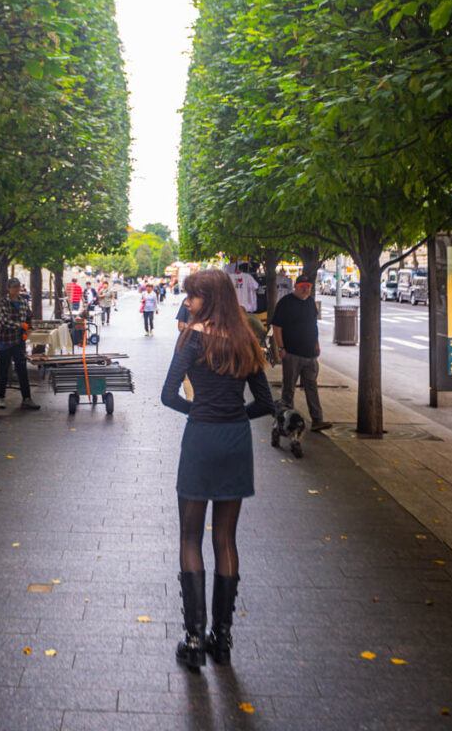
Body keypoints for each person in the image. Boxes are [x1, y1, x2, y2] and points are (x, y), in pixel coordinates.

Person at [161, 269, 274, 670]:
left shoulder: (192, 338)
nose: (187, 302)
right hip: (235, 442)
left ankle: (193, 638)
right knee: (226, 540)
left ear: (207, 299)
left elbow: (167, 394)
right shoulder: (247, 339)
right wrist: (234, 415)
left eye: (192, 296)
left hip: (202, 439)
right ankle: (222, 640)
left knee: (190, 537)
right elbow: (265, 403)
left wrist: (202, 411)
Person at [271, 272, 332, 432]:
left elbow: (313, 325)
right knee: (288, 388)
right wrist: (280, 348)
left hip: (310, 354)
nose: (306, 290)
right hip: (292, 353)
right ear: (296, 287)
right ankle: (285, 420)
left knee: (311, 386)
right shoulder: (285, 303)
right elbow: (277, 327)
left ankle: (317, 419)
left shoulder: (311, 303)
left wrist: (317, 344)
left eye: (309, 287)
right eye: (303, 287)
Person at [0, 278, 40, 410]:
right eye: (13, 287)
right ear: (8, 288)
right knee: (3, 370)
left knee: (22, 370)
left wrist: (30, 327)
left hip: (19, 341)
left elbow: (29, 315)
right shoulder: (4, 302)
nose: (16, 289)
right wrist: (20, 325)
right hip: (5, 340)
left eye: (18, 287)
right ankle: (1, 398)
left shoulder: (23, 301)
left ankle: (27, 399)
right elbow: (4, 320)